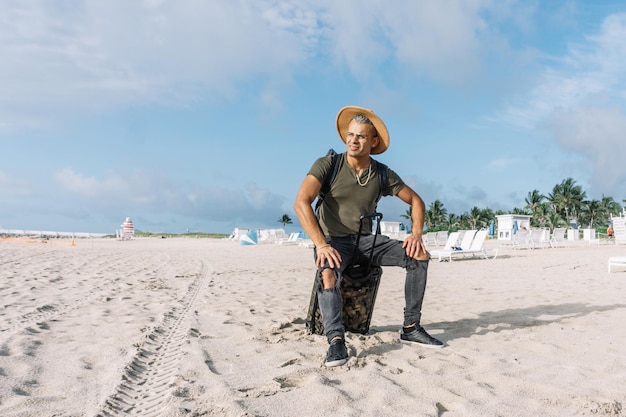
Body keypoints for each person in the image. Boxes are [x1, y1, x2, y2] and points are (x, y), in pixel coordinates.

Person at [294, 105, 443, 368]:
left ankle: (411, 327)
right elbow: (301, 203)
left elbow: (416, 201)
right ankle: (336, 341)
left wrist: (416, 234)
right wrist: (321, 244)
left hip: (367, 241)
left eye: (361, 136)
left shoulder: (382, 173)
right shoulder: (328, 164)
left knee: (418, 255)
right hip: (333, 241)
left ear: (373, 141)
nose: (353, 140)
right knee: (328, 272)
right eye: (350, 135)